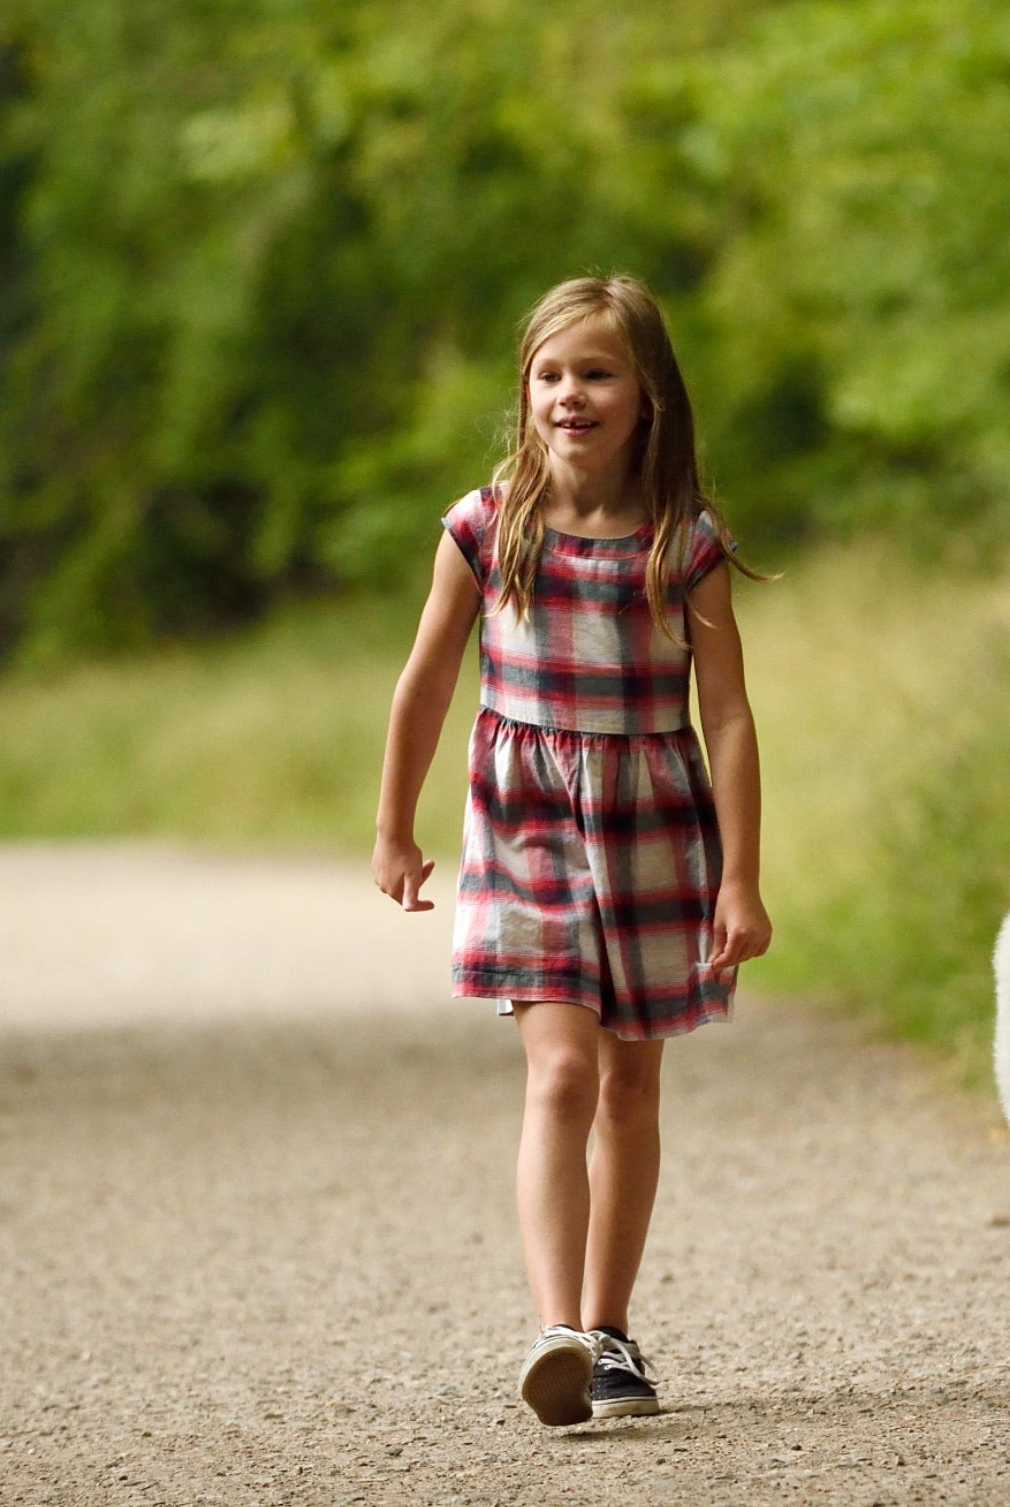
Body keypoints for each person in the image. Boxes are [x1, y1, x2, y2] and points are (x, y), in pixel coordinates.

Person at [373, 275, 771, 1427]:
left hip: (652, 826)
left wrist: (740, 877)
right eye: (550, 375)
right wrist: (395, 826)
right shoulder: (488, 527)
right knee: (562, 1070)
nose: (569, 396)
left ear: (648, 395)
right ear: (526, 391)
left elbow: (730, 716)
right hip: (530, 821)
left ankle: (610, 1332)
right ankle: (555, 1327)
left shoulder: (681, 545)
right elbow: (428, 679)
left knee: (633, 1084)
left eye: (596, 374)